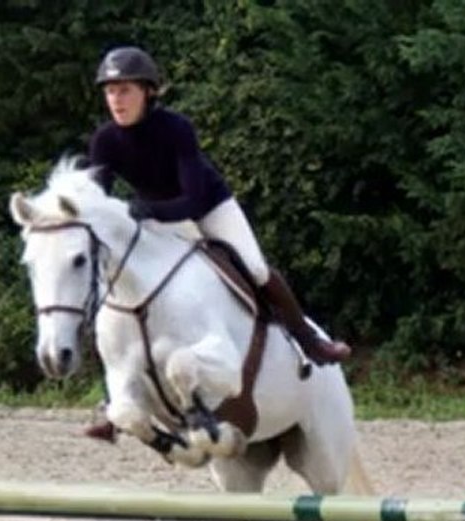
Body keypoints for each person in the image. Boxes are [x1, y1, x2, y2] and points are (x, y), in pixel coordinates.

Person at [84, 46, 351, 442]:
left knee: (256, 268)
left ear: (148, 92)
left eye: (125, 90)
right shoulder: (104, 141)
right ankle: (113, 399)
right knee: (114, 293)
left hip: (207, 208)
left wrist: (145, 211)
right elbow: (97, 203)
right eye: (110, 92)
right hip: (156, 221)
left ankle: (310, 342)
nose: (116, 100)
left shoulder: (176, 128)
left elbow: (191, 200)